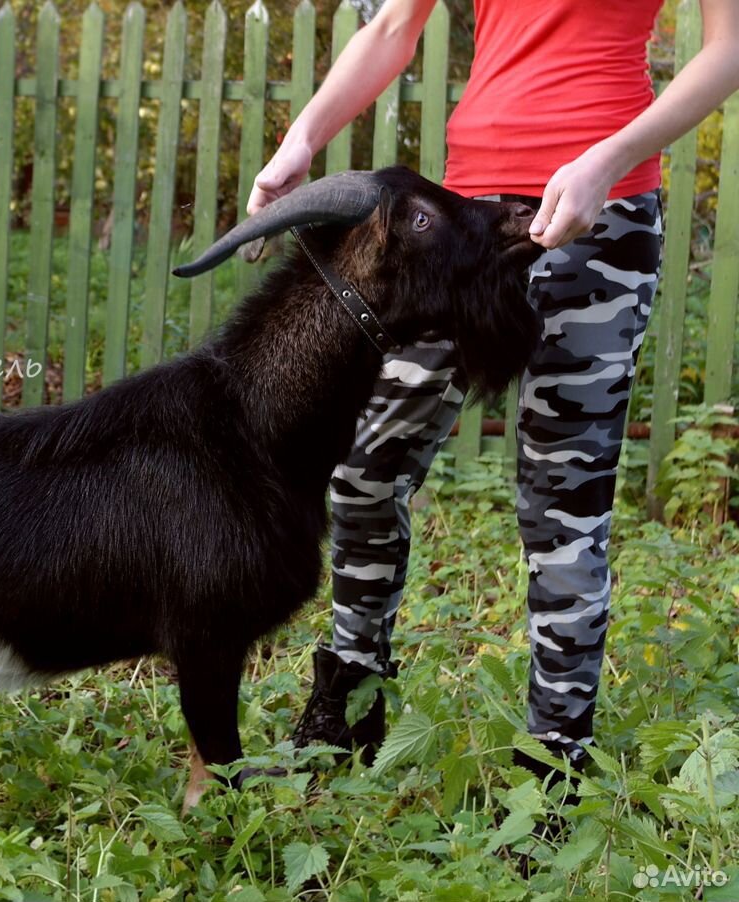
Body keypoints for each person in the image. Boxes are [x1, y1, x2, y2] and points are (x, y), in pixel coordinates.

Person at [247, 0, 739, 786]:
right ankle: (349, 701)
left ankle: (556, 763)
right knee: (365, 468)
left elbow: (728, 51)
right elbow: (390, 30)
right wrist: (300, 140)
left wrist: (607, 161)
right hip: (460, 232)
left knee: (563, 510)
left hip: (598, 223)